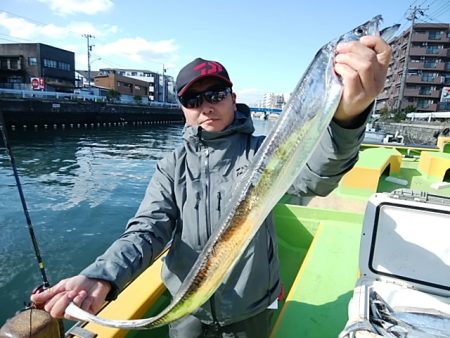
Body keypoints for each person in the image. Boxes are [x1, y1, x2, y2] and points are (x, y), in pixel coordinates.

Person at [31, 35, 392, 338]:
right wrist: (101, 276)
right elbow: (146, 231)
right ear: (183, 110)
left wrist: (349, 116)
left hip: (250, 312)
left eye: (216, 94)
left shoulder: (264, 154)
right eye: (192, 99)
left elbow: (317, 176)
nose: (205, 106)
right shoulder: (172, 166)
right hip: (185, 311)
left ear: (233, 97)